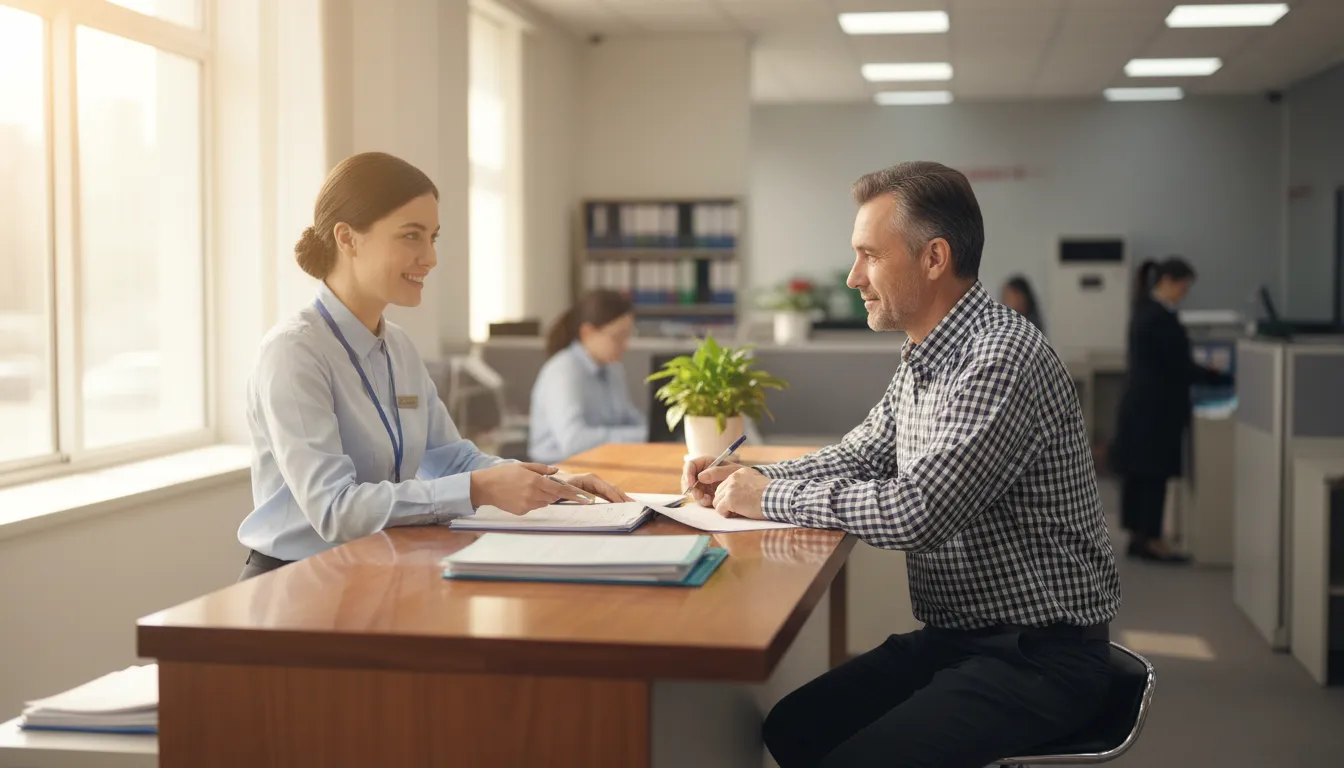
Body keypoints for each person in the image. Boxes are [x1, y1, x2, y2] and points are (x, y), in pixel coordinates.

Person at [681, 161, 1120, 768]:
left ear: (934, 258)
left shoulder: (999, 356)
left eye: (870, 255)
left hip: (1038, 656)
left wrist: (767, 498)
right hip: (960, 639)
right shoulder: (926, 353)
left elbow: (918, 511)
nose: (854, 276)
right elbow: (861, 454)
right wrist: (746, 477)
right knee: (794, 730)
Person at [237, 152, 630, 582]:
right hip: (295, 580)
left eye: (433, 238)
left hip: (375, 569)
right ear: (347, 238)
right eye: (411, 236)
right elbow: (335, 510)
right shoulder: (294, 352)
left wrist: (551, 483)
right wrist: (478, 489)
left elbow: (450, 457)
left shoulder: (398, 347)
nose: (430, 257)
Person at [1109, 257, 1231, 564]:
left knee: (1140, 476)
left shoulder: (1144, 310)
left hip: (1141, 407)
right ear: (1168, 282)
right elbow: (1179, 365)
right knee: (1154, 476)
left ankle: (1138, 537)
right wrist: (1219, 377)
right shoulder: (1160, 318)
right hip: (1155, 411)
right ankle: (1152, 540)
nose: (1183, 294)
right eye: (1183, 287)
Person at [528, 290, 647, 463]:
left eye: (628, 335)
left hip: (604, 462)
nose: (626, 344)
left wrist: (659, 432)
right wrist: (642, 435)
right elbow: (573, 441)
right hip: (558, 468)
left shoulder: (613, 369)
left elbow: (628, 418)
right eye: (618, 336)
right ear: (587, 332)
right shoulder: (564, 369)